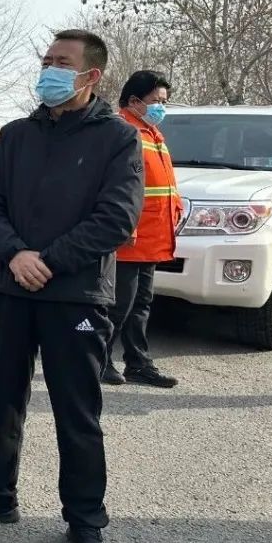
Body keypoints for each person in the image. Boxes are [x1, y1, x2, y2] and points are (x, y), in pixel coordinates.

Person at [0, 30, 144, 543]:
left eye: (62, 62)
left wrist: (49, 261)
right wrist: (14, 255)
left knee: (76, 411)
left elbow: (116, 218)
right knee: (2, 398)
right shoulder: (16, 135)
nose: (49, 70)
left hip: (76, 296)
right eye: (46, 60)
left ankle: (84, 519)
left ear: (91, 76)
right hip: (10, 288)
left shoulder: (118, 139)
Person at [104, 70, 182, 389]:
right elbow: (116, 185)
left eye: (164, 101)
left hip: (152, 237)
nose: (161, 107)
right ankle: (100, 360)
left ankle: (138, 362)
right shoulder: (122, 131)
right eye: (156, 101)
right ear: (135, 101)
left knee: (141, 304)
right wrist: (124, 224)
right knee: (119, 304)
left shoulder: (151, 133)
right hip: (130, 238)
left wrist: (175, 210)